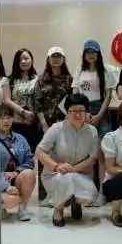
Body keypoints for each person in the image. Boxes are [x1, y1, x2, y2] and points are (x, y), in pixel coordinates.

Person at [36, 94, 99, 227]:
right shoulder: (56, 128)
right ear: (67, 112)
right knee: (64, 179)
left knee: (89, 197)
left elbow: (92, 158)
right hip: (56, 174)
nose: (78, 114)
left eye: (81, 110)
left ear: (87, 112)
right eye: (73, 111)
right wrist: (56, 166)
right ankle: (58, 209)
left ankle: (76, 202)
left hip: (80, 173)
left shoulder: (92, 131)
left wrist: (74, 169)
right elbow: (39, 151)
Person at [72, 39, 117, 203]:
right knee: (85, 154)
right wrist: (82, 113)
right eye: (88, 52)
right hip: (82, 111)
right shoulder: (79, 70)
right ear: (84, 54)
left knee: (102, 154)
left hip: (101, 112)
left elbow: (108, 96)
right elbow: (75, 94)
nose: (91, 55)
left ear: (98, 54)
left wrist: (99, 115)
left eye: (94, 52)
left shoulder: (105, 71)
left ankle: (102, 193)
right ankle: (85, 192)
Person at [31, 46, 73, 203]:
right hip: (46, 124)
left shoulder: (69, 79)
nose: (56, 59)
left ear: (63, 59)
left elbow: (72, 103)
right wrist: (44, 124)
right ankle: (45, 195)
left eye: (58, 56)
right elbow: (37, 103)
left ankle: (63, 194)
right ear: (48, 59)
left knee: (62, 156)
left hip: (65, 124)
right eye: (53, 56)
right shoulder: (41, 79)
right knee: (45, 158)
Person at [0, 107, 36, 221]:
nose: (6, 121)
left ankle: (22, 207)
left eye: (9, 117)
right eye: (1, 118)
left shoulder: (21, 139)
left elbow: (30, 161)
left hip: (16, 178)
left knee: (29, 174)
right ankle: (2, 203)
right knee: (3, 214)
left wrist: (17, 172)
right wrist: (6, 187)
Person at [3, 48, 40, 150]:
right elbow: (6, 100)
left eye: (26, 58)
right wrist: (24, 112)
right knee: (18, 153)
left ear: (31, 60)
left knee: (34, 153)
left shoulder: (38, 79)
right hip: (17, 124)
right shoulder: (9, 80)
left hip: (34, 124)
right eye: (20, 60)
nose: (23, 61)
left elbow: (40, 101)